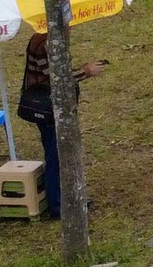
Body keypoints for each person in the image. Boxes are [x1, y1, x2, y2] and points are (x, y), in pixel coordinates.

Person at [17, 31, 106, 222]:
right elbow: (57, 77)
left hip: (53, 106)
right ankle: (58, 205)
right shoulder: (45, 43)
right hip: (49, 109)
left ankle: (67, 199)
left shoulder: (43, 38)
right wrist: (86, 71)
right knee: (55, 155)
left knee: (60, 153)